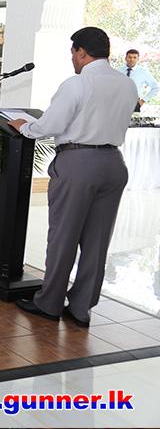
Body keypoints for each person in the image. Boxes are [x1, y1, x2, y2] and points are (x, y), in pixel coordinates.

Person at [9, 27, 137, 327]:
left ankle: (49, 303)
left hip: (79, 162)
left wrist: (23, 126)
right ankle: (81, 308)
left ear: (81, 52)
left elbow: (50, 125)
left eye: (72, 53)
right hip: (113, 164)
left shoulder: (78, 83)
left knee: (63, 236)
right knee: (97, 241)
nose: (72, 59)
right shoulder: (127, 84)